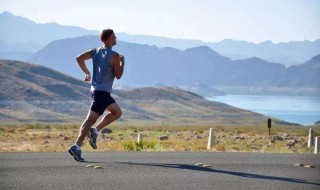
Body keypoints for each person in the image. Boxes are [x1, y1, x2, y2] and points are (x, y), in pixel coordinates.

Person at [68, 29, 125, 161]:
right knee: (89, 120)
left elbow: (79, 58)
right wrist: (123, 63)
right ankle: (76, 146)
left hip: (97, 91)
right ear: (109, 38)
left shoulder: (95, 51)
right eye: (114, 36)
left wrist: (87, 73)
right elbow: (118, 75)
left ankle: (95, 131)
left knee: (117, 112)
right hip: (103, 93)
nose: (116, 38)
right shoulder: (115, 55)